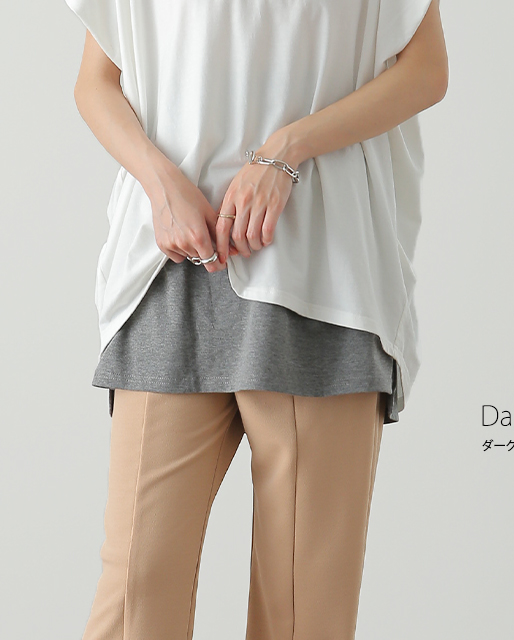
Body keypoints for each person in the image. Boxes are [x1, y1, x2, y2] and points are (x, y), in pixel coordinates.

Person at [64, 0, 448, 638]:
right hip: (167, 268)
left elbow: (425, 71)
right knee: (136, 585)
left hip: (323, 273)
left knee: (304, 607)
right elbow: (97, 81)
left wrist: (285, 151)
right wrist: (159, 183)